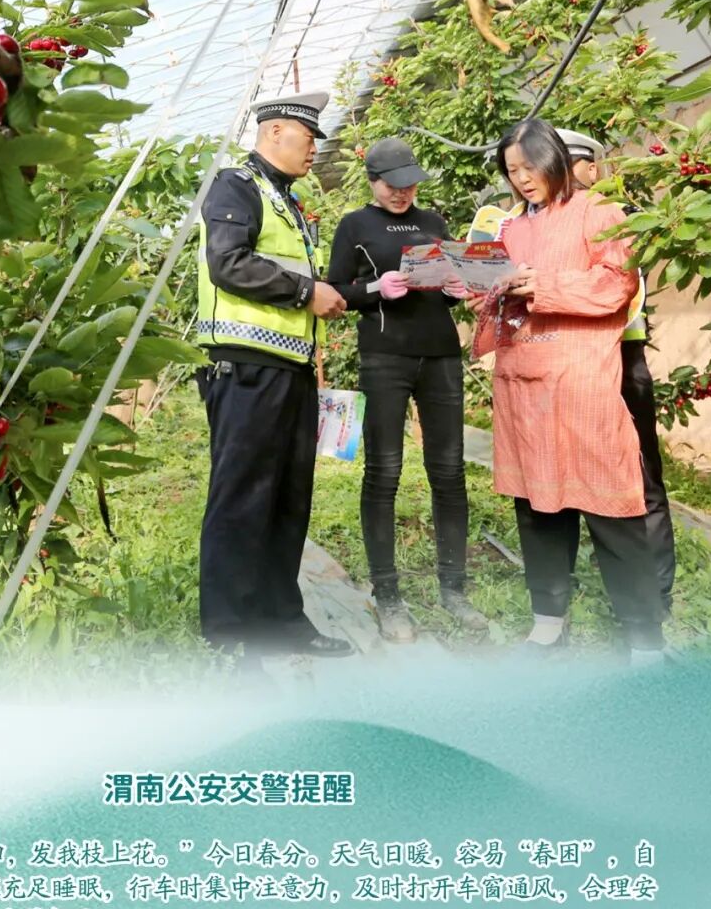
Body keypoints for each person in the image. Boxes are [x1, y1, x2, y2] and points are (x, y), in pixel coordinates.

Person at [466, 116, 665, 659]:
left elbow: (617, 283)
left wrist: (543, 284)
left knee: (612, 508)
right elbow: (491, 299)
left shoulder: (599, 213)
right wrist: (478, 287)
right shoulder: (509, 228)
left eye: (529, 167)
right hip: (523, 383)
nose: (522, 179)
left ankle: (644, 638)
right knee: (537, 505)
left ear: (554, 159)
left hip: (581, 383)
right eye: (512, 171)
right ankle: (547, 625)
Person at [196, 90, 351, 659]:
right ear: (274, 132)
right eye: (308, 138)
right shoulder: (236, 186)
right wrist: (307, 292)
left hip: (289, 369)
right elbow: (228, 262)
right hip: (245, 368)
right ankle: (230, 631)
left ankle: (282, 619)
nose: (314, 150)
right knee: (242, 497)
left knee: (288, 498)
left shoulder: (286, 201)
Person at [327, 137, 486, 641]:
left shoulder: (433, 222)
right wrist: (377, 288)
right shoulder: (354, 225)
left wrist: (456, 291)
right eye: (393, 186)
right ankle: (388, 594)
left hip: (440, 356)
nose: (402, 193)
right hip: (385, 357)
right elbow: (335, 291)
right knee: (384, 472)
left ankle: (454, 589)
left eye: (410, 185)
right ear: (372, 180)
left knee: (449, 471)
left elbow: (450, 280)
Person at [557, 128, 676, 611]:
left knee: (640, 475)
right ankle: (562, 588)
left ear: (593, 169)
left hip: (621, 361)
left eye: (569, 168)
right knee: (562, 474)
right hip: (569, 365)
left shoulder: (614, 218)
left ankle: (656, 593)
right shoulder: (540, 224)